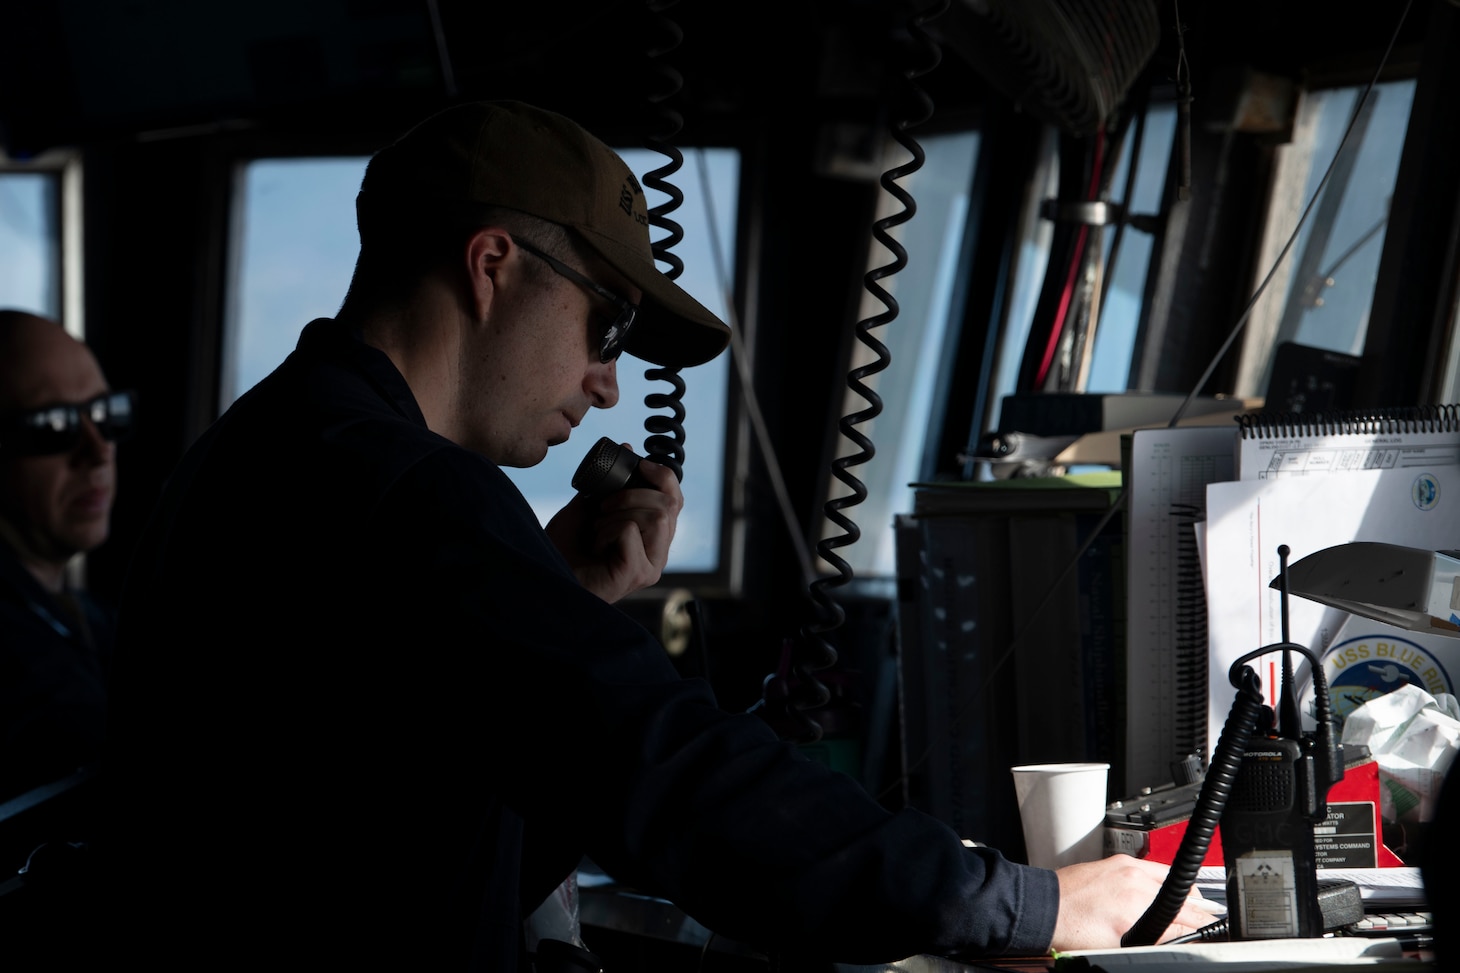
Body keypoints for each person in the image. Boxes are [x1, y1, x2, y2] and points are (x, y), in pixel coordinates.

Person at [102, 100, 1212, 969]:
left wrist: (559, 598)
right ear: (490, 268)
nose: (604, 380)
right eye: (606, 320)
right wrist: (1025, 901)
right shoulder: (406, 488)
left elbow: (405, 823)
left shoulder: (268, 447)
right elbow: (666, 775)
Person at [0, 310, 131, 803]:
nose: (98, 451)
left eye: (105, 414)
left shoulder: (80, 614)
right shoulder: (21, 665)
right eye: (53, 427)